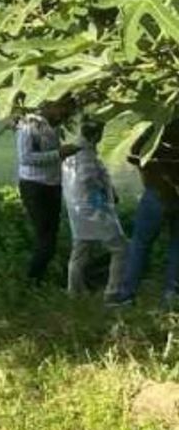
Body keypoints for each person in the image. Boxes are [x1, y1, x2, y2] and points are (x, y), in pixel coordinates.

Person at [111, 118, 179, 306]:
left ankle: (127, 294)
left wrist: (149, 169)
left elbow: (133, 155)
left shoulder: (157, 128)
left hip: (156, 192)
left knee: (140, 245)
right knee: (176, 246)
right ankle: (171, 293)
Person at [62, 118, 126, 300]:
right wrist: (106, 193)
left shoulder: (73, 152)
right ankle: (113, 290)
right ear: (96, 134)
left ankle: (74, 291)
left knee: (80, 251)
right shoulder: (85, 154)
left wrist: (109, 190)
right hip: (93, 208)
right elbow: (87, 179)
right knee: (120, 248)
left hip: (78, 209)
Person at [16, 100, 76, 283]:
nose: (65, 115)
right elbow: (25, 158)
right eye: (63, 109)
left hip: (53, 185)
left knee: (51, 236)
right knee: (46, 239)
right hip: (34, 186)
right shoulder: (29, 125)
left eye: (68, 112)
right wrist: (59, 154)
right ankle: (31, 281)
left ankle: (37, 279)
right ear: (50, 104)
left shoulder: (53, 126)